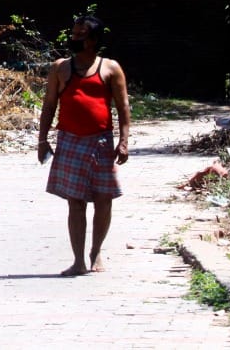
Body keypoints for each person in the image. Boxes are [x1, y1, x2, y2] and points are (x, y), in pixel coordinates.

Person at [37, 14, 131, 276]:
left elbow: (123, 108)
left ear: (94, 40)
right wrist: (42, 141)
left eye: (81, 35)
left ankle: (95, 251)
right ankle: (78, 260)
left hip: (101, 142)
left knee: (104, 199)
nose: (75, 39)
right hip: (69, 140)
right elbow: (49, 107)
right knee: (75, 202)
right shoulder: (60, 68)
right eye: (74, 34)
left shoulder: (111, 69)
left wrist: (123, 142)